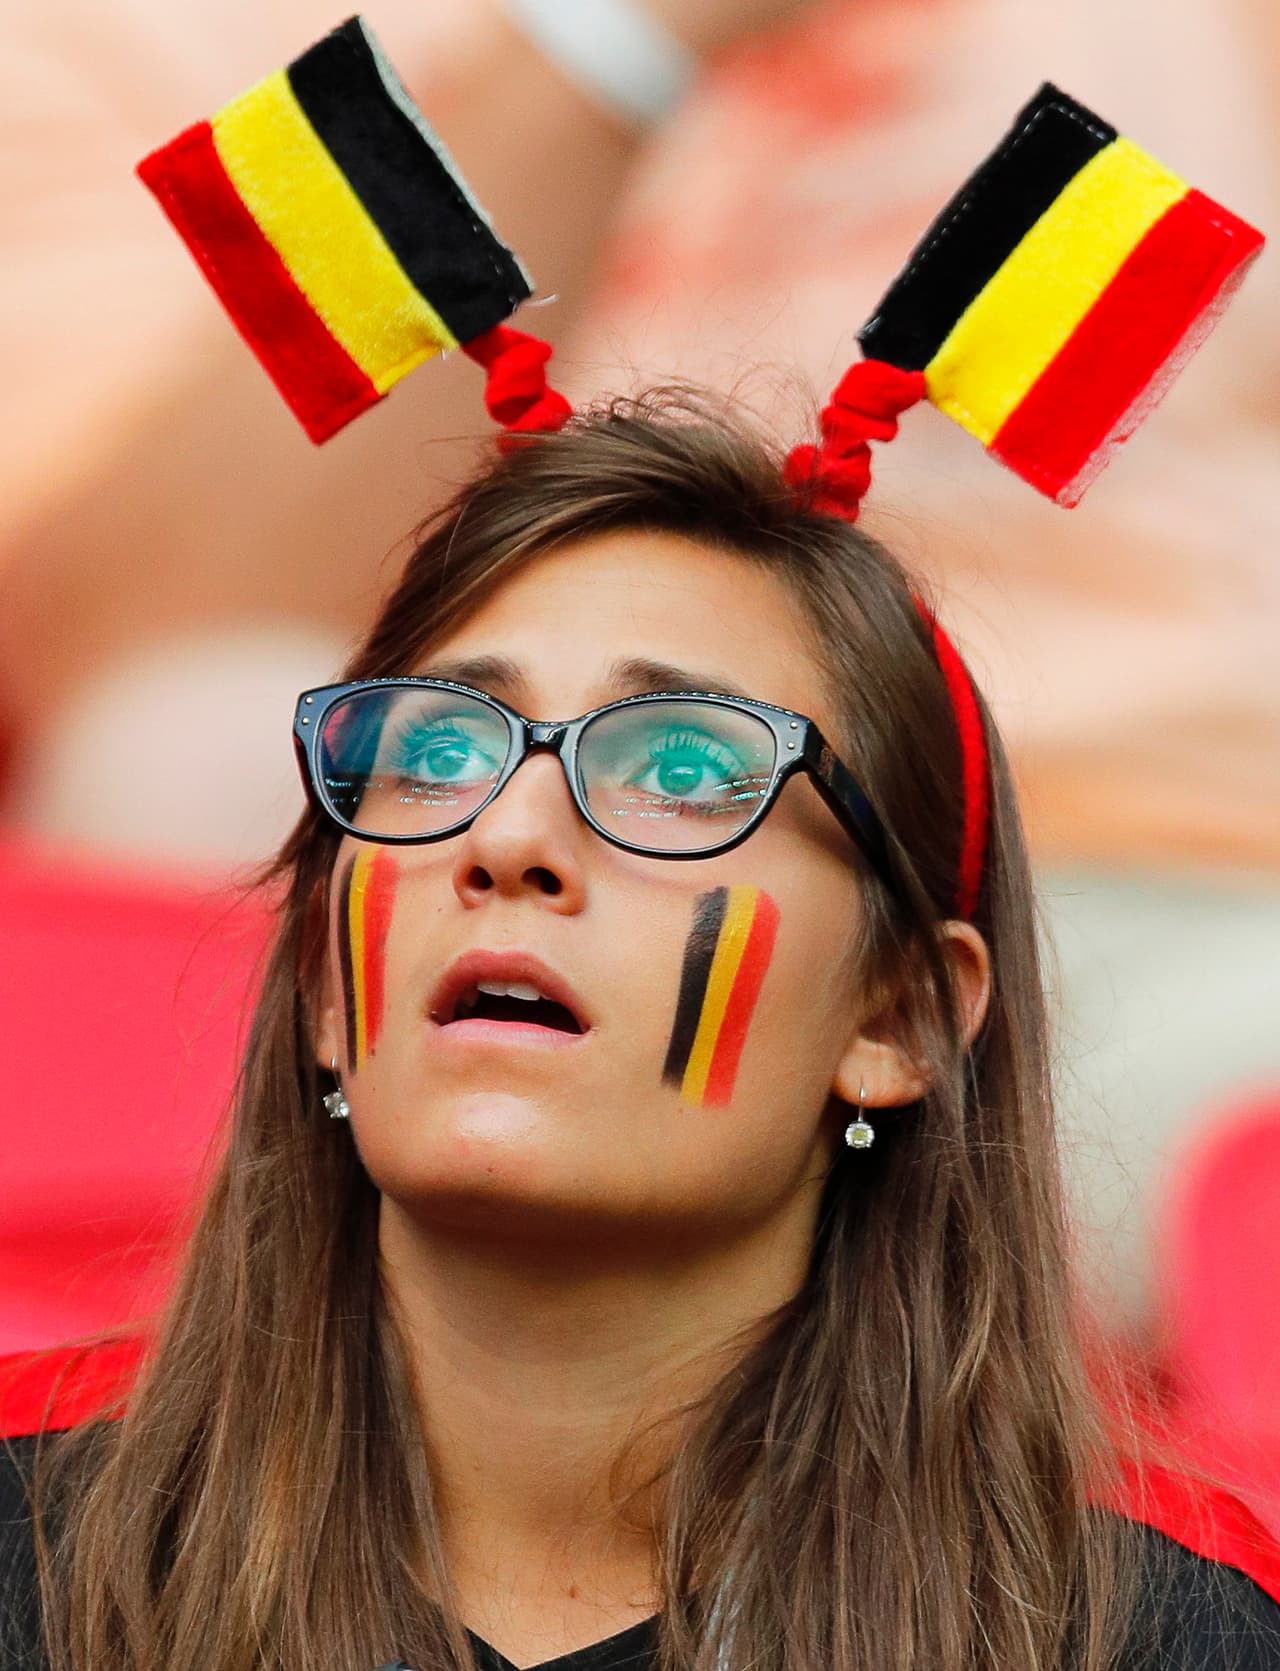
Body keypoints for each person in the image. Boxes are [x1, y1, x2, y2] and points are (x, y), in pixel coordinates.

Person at [3, 386, 1280, 1671]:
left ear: (899, 1018)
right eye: (438, 755)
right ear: (328, 997)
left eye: (679, 771)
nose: (504, 838)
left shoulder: (1161, 1635)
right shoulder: (28, 1541)